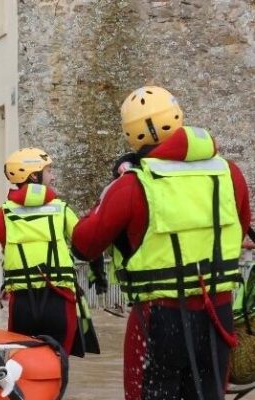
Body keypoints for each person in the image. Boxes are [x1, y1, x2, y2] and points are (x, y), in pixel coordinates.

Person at [71, 86, 251, 400]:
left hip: (159, 320)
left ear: (132, 135)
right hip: (218, 314)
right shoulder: (230, 174)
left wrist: (114, 186)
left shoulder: (131, 185)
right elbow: (242, 222)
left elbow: (84, 245)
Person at [0, 148, 103, 358]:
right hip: (59, 302)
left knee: (21, 365)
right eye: (49, 171)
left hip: (23, 306)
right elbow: (88, 243)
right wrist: (99, 273)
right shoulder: (61, 209)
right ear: (34, 176)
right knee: (57, 365)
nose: (53, 176)